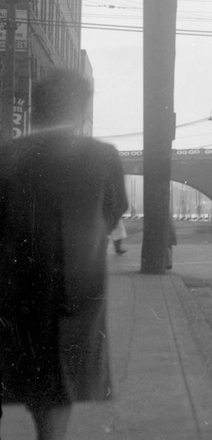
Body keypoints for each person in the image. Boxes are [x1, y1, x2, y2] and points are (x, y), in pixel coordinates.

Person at [0, 68, 129, 440]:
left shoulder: (5, 157)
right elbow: (113, 210)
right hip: (72, 295)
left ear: (36, 109)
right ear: (79, 111)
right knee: (55, 388)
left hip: (10, 294)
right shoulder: (102, 156)